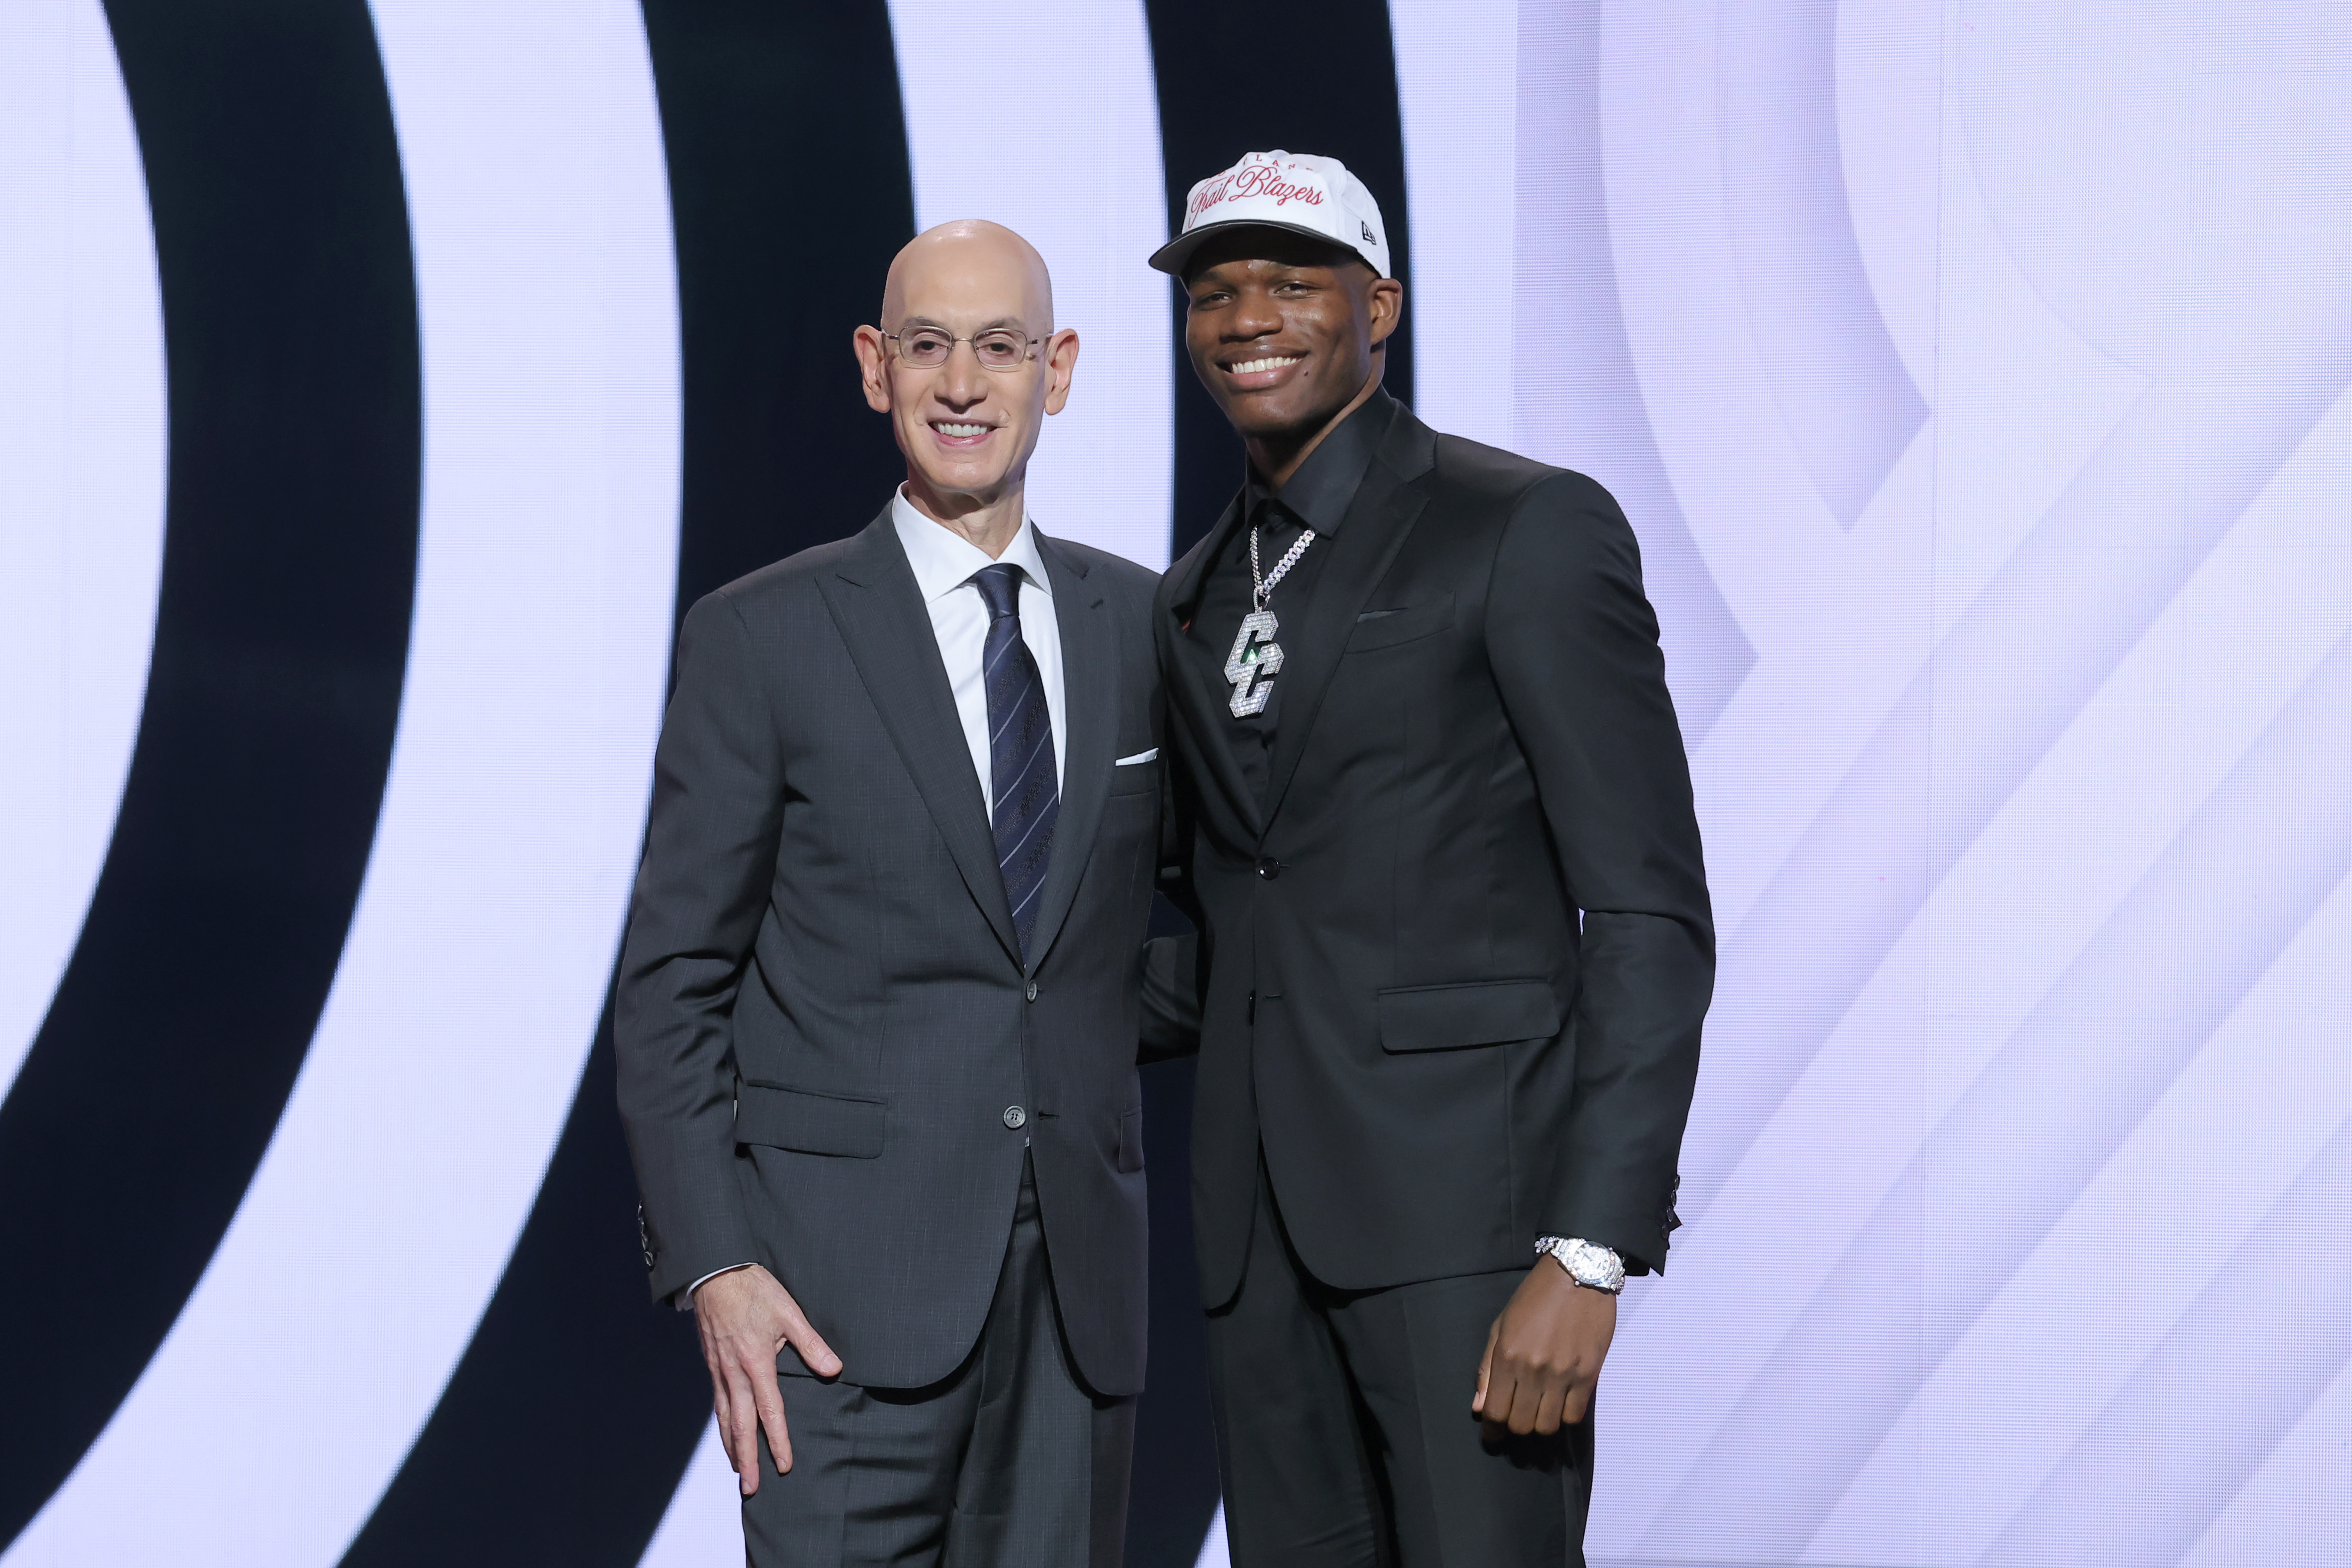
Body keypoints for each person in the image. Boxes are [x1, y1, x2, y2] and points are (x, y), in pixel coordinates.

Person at [1141, 151, 1715, 1564]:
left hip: (1475, 1236)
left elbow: (1646, 911)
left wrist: (1589, 1248)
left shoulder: (1521, 526)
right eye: (1215, 292)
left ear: (1377, 307)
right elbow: (1228, 925)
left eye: (1289, 282)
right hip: (1257, 1241)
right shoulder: (1194, 589)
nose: (1246, 318)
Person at [616, 219, 1171, 1565]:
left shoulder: (1147, 628)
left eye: (1001, 347)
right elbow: (670, 985)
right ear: (875, 367)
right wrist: (714, 1267)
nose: (963, 384)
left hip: (1073, 1313)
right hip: (828, 1318)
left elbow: (1156, 941)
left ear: (1062, 369)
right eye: (928, 346)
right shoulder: (761, 637)